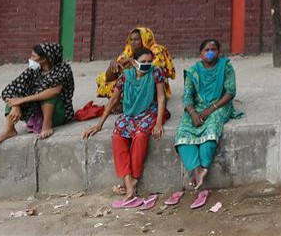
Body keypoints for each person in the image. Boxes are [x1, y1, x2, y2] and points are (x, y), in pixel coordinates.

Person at [82, 47, 168, 208]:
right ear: (134, 63)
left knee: (140, 135)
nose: (147, 64)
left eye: (149, 61)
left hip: (150, 111)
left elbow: (161, 97)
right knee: (117, 136)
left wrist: (158, 123)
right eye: (143, 62)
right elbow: (113, 100)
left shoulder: (156, 73)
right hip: (130, 113)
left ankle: (134, 177)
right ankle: (128, 179)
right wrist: (99, 125)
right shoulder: (125, 76)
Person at [173, 38, 243, 204]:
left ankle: (203, 167)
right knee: (182, 132)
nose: (210, 52)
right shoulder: (193, 72)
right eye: (206, 50)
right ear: (201, 53)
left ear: (219, 52)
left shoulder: (225, 67)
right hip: (196, 108)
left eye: (213, 49)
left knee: (211, 129)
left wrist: (210, 110)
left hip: (219, 105)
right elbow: (187, 97)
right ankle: (196, 169)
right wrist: (193, 114)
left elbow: (230, 92)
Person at [0, 42, 75, 147]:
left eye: (33, 56)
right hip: (37, 111)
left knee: (47, 95)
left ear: (44, 59)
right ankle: (9, 130)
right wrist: (16, 105)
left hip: (57, 113)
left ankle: (47, 125)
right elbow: (11, 88)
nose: (31, 59)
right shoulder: (34, 70)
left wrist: (22, 100)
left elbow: (54, 91)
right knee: (14, 96)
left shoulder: (63, 69)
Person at [95, 27, 176, 101]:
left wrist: (132, 65)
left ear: (144, 39)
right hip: (134, 80)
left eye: (136, 39)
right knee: (104, 79)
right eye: (131, 39)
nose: (132, 42)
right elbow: (117, 68)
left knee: (123, 88)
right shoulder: (130, 50)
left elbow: (149, 72)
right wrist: (114, 64)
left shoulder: (157, 50)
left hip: (151, 84)